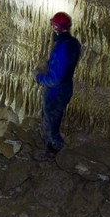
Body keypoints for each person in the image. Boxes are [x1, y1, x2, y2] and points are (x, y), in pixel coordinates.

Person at [34, 11, 82, 153]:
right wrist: (49, 64)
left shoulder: (61, 48)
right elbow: (64, 65)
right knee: (55, 116)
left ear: (56, 28)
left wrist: (38, 77)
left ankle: (53, 149)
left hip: (55, 91)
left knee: (50, 120)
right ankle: (51, 144)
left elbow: (55, 78)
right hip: (66, 87)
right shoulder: (74, 43)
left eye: (53, 25)